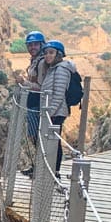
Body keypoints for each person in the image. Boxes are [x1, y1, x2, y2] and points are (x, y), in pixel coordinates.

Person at [39, 40, 77, 175]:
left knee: (54, 142)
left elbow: (58, 94)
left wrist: (49, 114)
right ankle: (50, 170)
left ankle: (54, 171)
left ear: (58, 54)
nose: (48, 56)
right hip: (52, 112)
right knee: (51, 141)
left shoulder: (61, 69)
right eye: (46, 53)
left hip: (56, 113)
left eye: (51, 53)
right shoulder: (52, 68)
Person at [15, 31, 46, 177]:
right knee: (34, 137)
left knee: (37, 137)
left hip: (38, 104)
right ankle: (38, 167)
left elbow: (41, 87)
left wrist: (24, 82)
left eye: (35, 44)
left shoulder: (41, 63)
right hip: (33, 103)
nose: (32, 47)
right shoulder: (35, 60)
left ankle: (42, 170)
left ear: (41, 45)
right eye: (30, 44)